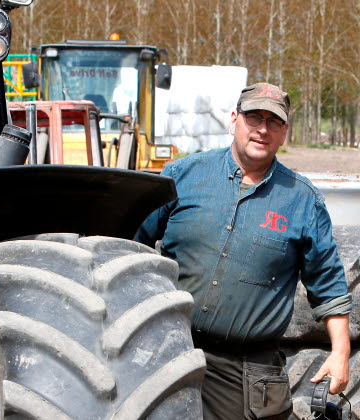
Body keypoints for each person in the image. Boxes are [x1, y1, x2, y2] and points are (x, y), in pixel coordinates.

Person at [135, 82, 351, 419]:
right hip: (169, 354)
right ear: (234, 118)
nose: (262, 129)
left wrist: (339, 352)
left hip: (248, 373)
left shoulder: (302, 199)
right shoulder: (183, 175)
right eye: (254, 117)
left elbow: (328, 284)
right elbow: (132, 247)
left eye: (273, 122)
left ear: (284, 133)